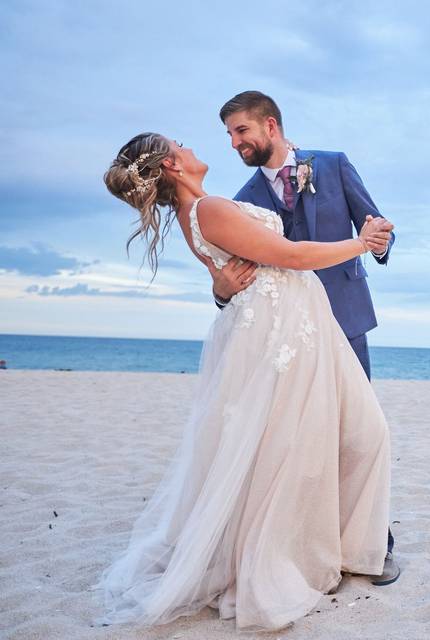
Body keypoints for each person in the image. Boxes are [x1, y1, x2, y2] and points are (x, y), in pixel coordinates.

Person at [99, 132, 395, 631]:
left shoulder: (201, 212)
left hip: (292, 326)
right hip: (285, 335)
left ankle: (345, 547)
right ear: (172, 164)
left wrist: (222, 285)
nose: (195, 147)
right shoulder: (212, 208)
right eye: (181, 145)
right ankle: (297, 555)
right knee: (314, 444)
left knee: (336, 438)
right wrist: (360, 243)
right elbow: (293, 256)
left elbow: (240, 269)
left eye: (239, 130)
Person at [208, 92, 399, 579]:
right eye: (229, 135)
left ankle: (376, 543)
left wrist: (379, 239)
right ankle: (309, 547)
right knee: (300, 439)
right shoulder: (242, 201)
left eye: (241, 131)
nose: (234, 143)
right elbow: (235, 276)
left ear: (269, 125)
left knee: (359, 433)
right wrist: (222, 293)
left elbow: (375, 225)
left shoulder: (333, 165)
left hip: (346, 319)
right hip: (289, 330)